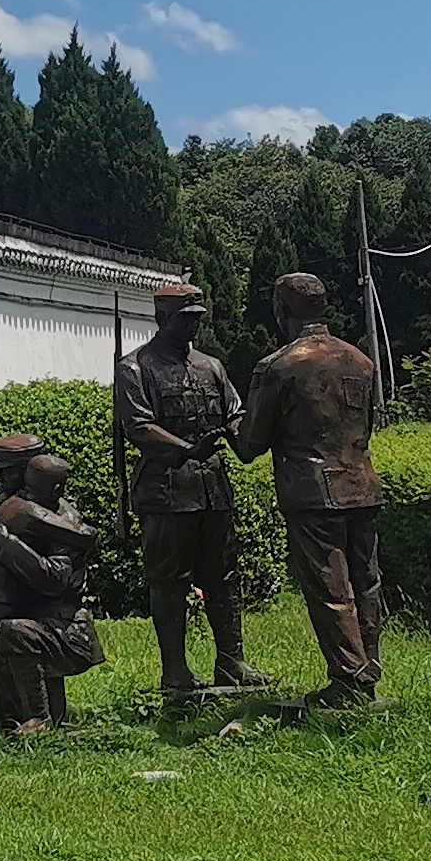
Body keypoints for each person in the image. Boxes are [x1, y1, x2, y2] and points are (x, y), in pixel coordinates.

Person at [233, 272, 387, 708]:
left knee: (330, 588)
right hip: (363, 485)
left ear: (282, 310)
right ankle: (368, 669)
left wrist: (231, 425)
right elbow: (368, 426)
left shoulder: (279, 365)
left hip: (312, 493)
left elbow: (250, 445)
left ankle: (349, 681)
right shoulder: (360, 360)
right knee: (367, 583)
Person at [115, 285, 275, 696]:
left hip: (213, 489)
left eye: (198, 317)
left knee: (224, 575)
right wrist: (187, 449)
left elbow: (234, 412)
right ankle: (175, 670)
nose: (194, 325)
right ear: (163, 319)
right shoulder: (136, 368)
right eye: (186, 318)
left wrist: (249, 439)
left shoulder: (212, 366)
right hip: (166, 492)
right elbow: (139, 427)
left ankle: (231, 660)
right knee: (169, 582)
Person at [0, 446, 103, 731]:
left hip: (64, 631)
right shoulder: (10, 504)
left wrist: (9, 546)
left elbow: (55, 578)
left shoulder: (59, 521)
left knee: (16, 635)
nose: (3, 479)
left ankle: (39, 718)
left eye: (10, 472)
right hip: (5, 609)